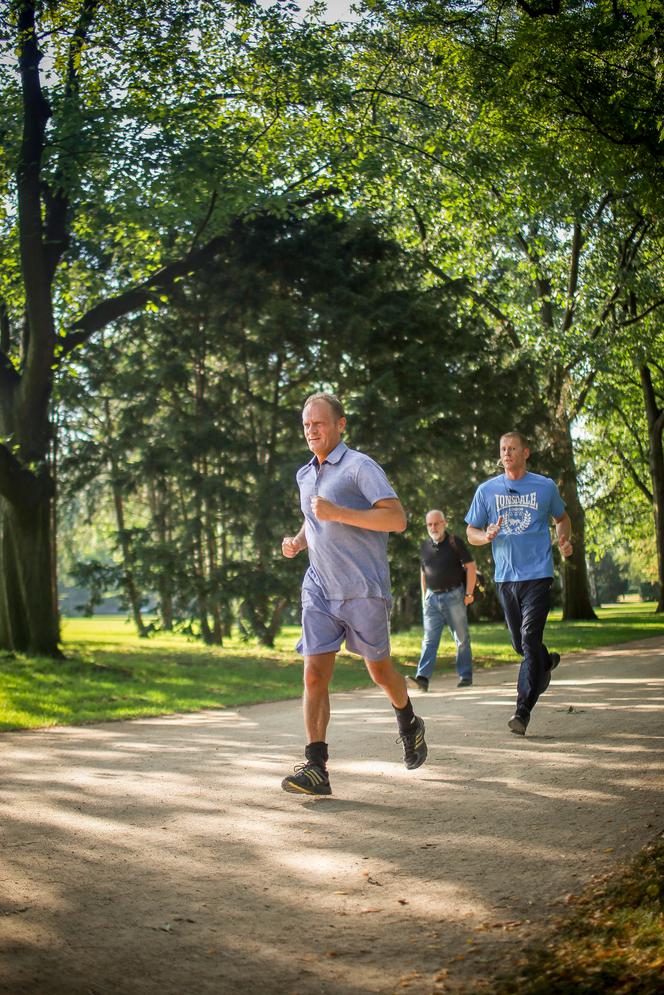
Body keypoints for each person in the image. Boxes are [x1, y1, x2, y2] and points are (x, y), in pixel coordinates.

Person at [280, 392, 427, 795]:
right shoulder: (304, 474)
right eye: (307, 425)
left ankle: (408, 719)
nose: (312, 431)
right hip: (320, 587)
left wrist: (339, 512)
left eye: (319, 423)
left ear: (340, 424)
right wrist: (297, 542)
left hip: (363, 588)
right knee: (313, 674)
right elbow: (315, 521)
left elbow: (397, 519)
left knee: (379, 671)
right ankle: (316, 766)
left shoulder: (360, 467)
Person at [465, 431, 574, 735]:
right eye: (503, 449)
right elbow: (470, 532)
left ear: (526, 452)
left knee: (528, 639)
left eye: (512, 448)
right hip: (506, 579)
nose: (507, 453)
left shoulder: (544, 487)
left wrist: (565, 540)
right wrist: (484, 536)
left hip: (538, 575)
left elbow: (562, 518)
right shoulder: (487, 491)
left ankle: (522, 711)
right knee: (521, 645)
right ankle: (545, 662)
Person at [407, 510, 476, 692]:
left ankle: (465, 675)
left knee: (461, 639)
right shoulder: (424, 546)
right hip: (431, 599)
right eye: (430, 524)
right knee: (429, 640)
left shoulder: (455, 542)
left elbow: (471, 567)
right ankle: (422, 679)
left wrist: (469, 593)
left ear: (444, 523)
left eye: (437, 523)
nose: (433, 527)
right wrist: (424, 598)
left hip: (454, 596)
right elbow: (423, 573)